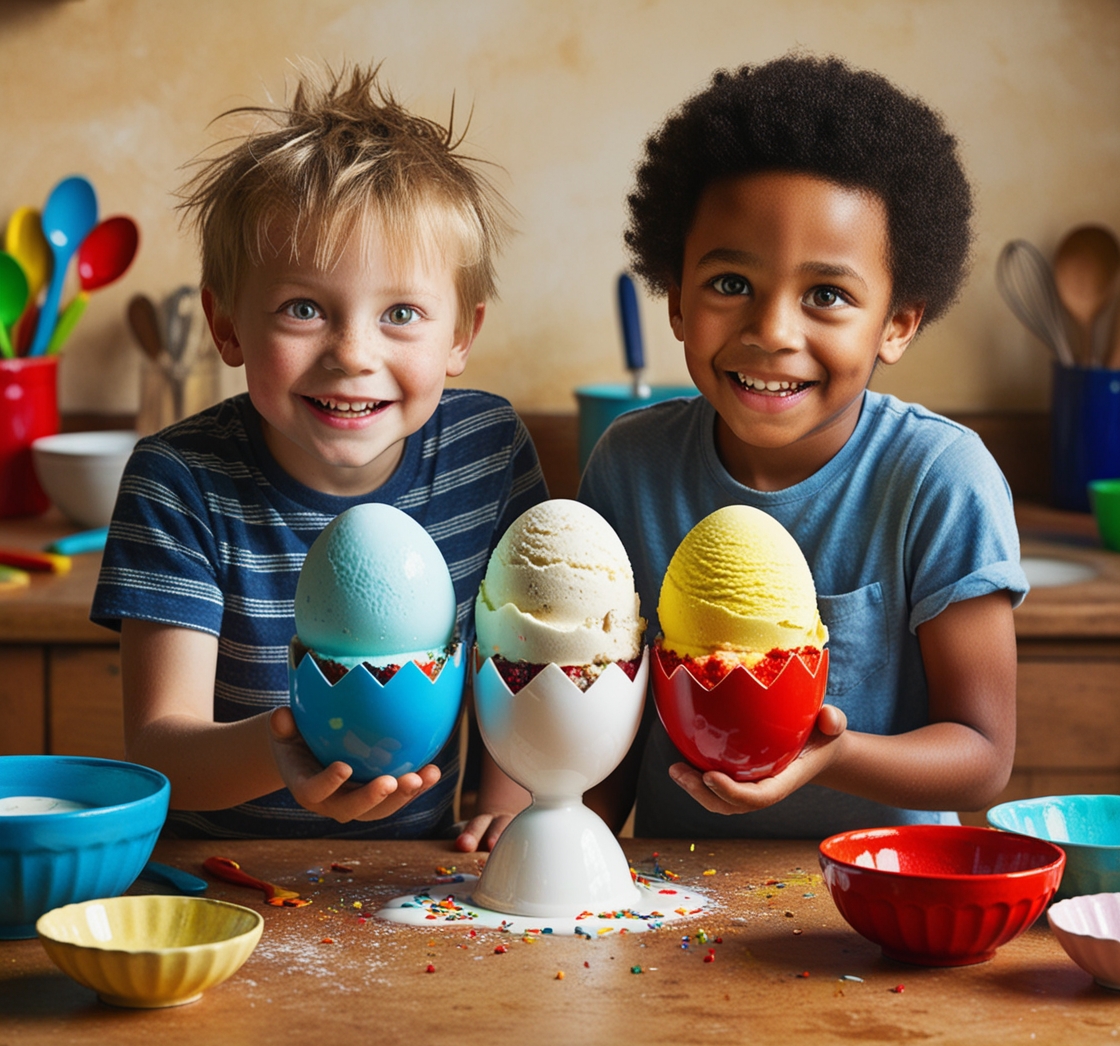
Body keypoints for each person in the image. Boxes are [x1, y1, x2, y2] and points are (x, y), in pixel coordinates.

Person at [91, 64, 547, 848]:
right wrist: (287, 748)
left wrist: (502, 802)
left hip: (413, 881)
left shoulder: (487, 451)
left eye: (401, 313)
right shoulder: (179, 483)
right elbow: (161, 750)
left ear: (461, 337)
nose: (352, 354)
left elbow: (520, 654)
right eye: (303, 308)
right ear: (226, 324)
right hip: (224, 881)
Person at [579, 54, 1028, 839]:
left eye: (826, 295)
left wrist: (830, 753)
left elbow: (982, 753)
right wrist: (556, 829)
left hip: (878, 907)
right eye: (729, 283)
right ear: (676, 297)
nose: (773, 332)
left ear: (898, 322)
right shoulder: (631, 465)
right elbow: (610, 717)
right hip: (671, 904)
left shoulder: (938, 479)